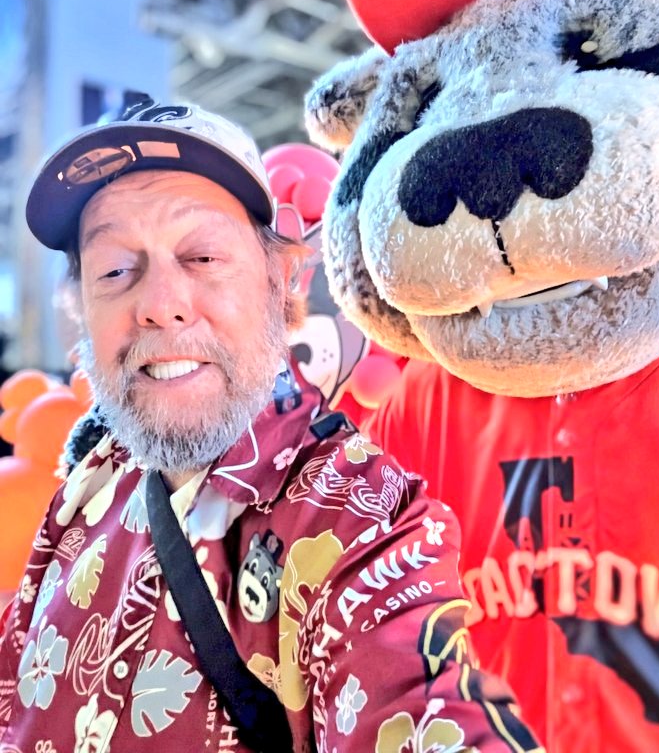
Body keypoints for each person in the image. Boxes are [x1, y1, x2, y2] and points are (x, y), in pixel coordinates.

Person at [0, 96, 542, 753]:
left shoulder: (356, 519)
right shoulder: (93, 478)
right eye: (114, 269)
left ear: (282, 282)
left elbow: (418, 703)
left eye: (203, 257)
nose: (160, 305)